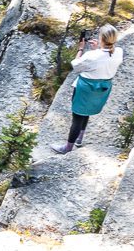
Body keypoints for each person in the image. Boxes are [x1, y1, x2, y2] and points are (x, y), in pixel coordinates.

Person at [51, 23, 123, 154]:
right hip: (102, 88)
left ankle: (67, 147)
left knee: (77, 117)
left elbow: (76, 65)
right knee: (87, 111)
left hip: (86, 87)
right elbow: (104, 58)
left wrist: (80, 49)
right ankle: (79, 138)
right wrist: (98, 49)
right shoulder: (118, 52)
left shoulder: (91, 55)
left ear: (102, 39)